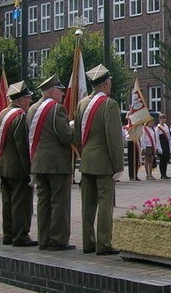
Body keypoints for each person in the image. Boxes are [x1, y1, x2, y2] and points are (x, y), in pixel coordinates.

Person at [74, 64, 123, 255]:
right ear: (105, 83)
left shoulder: (82, 104)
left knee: (87, 204)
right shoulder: (109, 105)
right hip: (104, 162)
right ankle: (104, 243)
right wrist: (118, 165)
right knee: (105, 203)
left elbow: (77, 136)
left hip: (86, 160)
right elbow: (114, 139)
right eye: (109, 82)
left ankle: (88, 242)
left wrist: (83, 154)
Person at [27, 74, 74, 251]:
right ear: (52, 91)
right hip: (56, 164)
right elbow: (65, 137)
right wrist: (73, 127)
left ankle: (43, 238)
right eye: (60, 91)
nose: (62, 95)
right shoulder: (57, 109)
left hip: (38, 163)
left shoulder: (32, 109)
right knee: (59, 202)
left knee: (43, 202)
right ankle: (58, 239)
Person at [0, 80, 37, 247]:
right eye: (28, 98)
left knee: (8, 202)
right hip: (18, 167)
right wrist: (29, 169)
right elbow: (22, 145)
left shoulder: (2, 114)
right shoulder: (19, 117)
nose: (30, 101)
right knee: (21, 202)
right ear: (21, 100)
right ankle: (20, 235)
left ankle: (8, 233)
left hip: (4, 165)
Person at [155, 113, 171, 179]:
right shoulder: (158, 128)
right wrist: (159, 147)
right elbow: (157, 138)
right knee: (162, 160)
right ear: (159, 119)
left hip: (166, 144)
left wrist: (169, 145)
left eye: (164, 118)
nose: (163, 120)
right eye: (162, 118)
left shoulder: (166, 126)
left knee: (166, 159)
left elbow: (168, 136)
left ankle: (165, 173)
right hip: (161, 144)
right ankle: (162, 174)